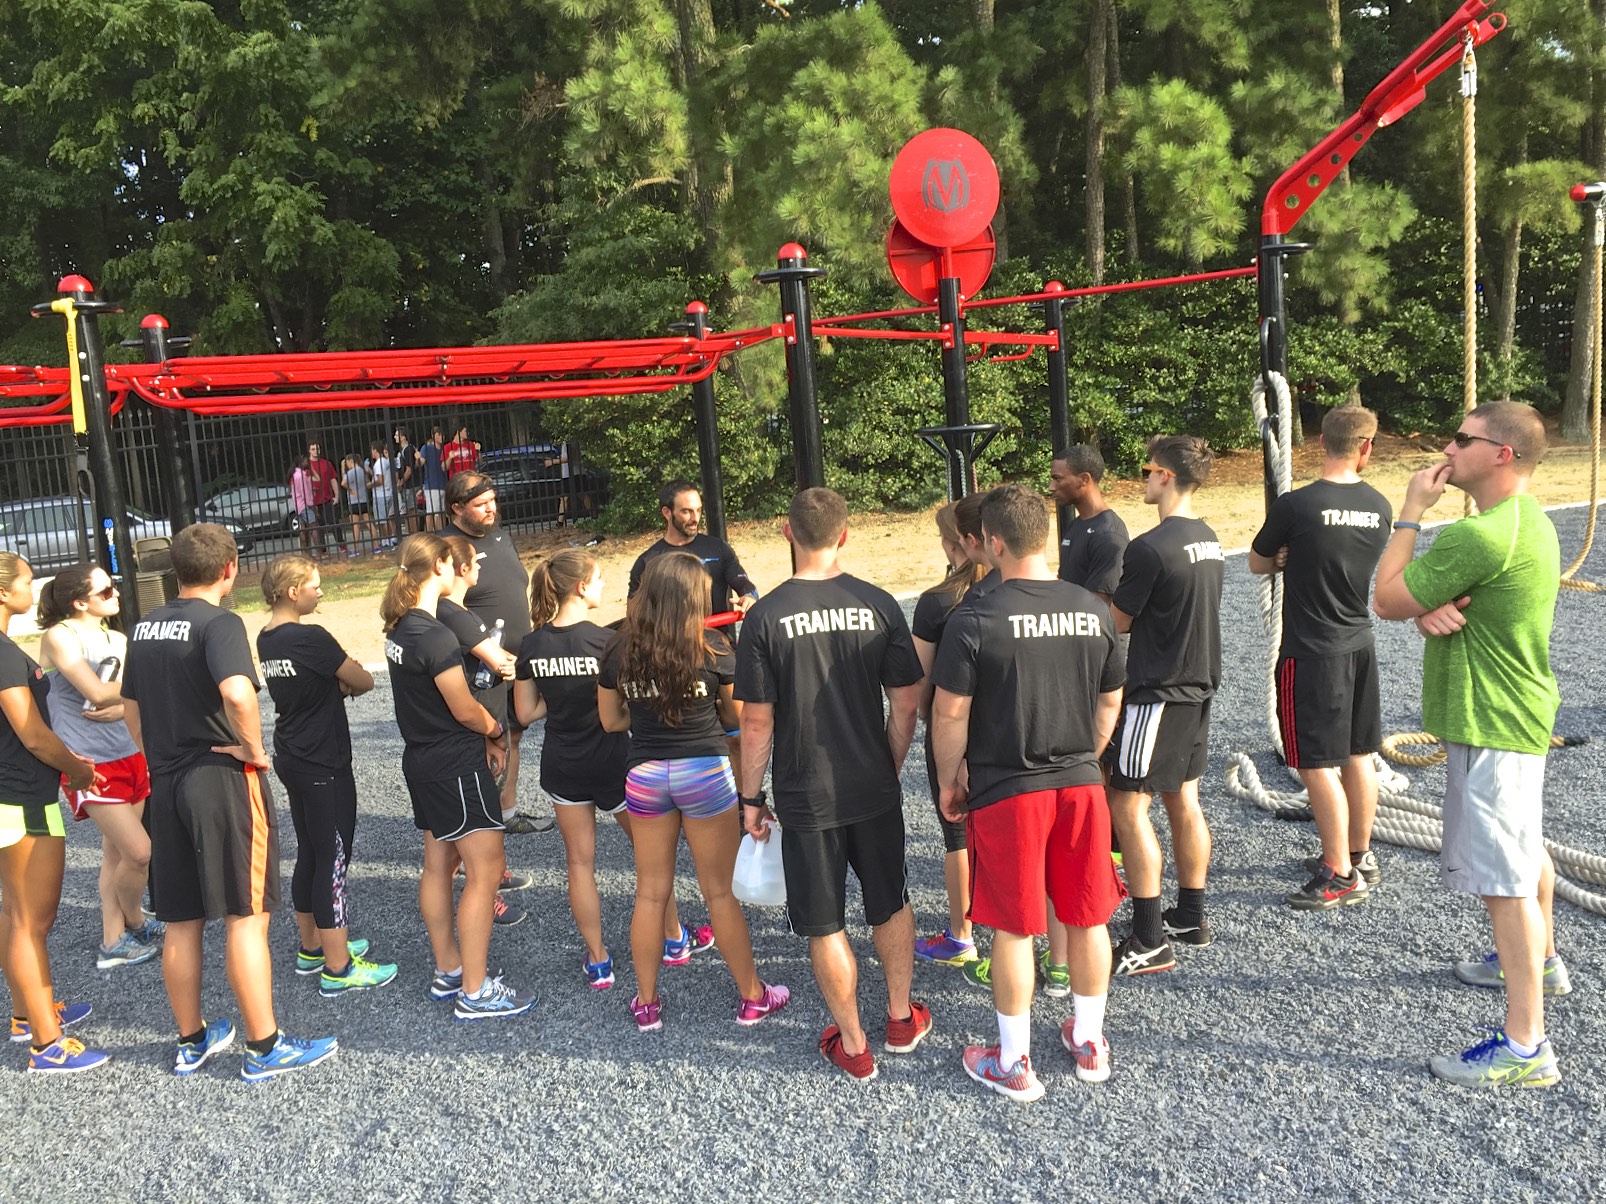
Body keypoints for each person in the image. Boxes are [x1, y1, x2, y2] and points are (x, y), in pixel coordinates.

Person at [1372, 401, 1567, 1089]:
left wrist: (1410, 511)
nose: (1447, 449)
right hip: (1517, 714)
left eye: (1463, 439)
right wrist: (1432, 608)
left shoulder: (1480, 537)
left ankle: (1525, 1046)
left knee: (1504, 882)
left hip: (1492, 722)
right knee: (1526, 849)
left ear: (1502, 455)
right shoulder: (1526, 519)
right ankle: (1540, 961)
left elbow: (1386, 598)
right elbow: (1425, 604)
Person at [122, 524, 338, 1080]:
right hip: (219, 777)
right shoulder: (220, 622)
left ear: (175, 570)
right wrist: (254, 748)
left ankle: (191, 1041)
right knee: (247, 914)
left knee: (181, 918)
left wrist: (158, 755)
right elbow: (238, 691)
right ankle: (264, 1047)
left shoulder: (143, 627)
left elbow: (131, 710)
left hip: (165, 781)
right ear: (230, 567)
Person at [931, 484, 1125, 1100]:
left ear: (991, 542)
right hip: (1079, 784)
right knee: (1089, 914)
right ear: (1044, 535)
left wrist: (948, 777)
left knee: (1014, 927)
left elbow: (951, 713)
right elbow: (1110, 698)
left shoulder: (974, 617)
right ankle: (1090, 1042)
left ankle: (1014, 1062)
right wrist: (1085, 758)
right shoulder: (1093, 609)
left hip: (1008, 788)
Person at [736, 488, 926, 1081]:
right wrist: (889, 763)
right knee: (889, 899)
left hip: (804, 792)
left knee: (824, 921)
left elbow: (756, 721)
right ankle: (900, 1018)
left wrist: (750, 798)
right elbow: (906, 704)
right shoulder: (878, 603)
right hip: (871, 784)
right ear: (845, 535)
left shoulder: (764, 616)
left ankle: (854, 1043)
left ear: (787, 532)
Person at [598, 553, 789, 1032]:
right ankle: (752, 996)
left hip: (643, 774)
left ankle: (645, 1004)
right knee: (719, 892)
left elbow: (611, 720)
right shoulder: (715, 648)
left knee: (650, 893)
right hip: (703, 772)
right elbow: (735, 718)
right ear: (691, 597)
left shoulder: (618, 649)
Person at [513, 548, 705, 989]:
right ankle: (675, 939)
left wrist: (557, 699)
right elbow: (622, 705)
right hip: (613, 759)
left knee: (579, 863)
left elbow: (524, 713)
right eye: (599, 580)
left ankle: (598, 960)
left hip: (563, 762)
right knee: (650, 859)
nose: (603, 587)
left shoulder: (532, 643)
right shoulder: (605, 642)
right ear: (581, 587)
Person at [382, 534, 535, 1021]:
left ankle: (450, 970)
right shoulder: (434, 635)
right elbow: (465, 708)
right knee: (485, 871)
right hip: (454, 763)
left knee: (438, 865)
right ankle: (474, 989)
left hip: (423, 760)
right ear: (442, 566)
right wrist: (495, 730)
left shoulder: (400, 627)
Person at [1249, 405, 1391, 909]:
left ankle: (1339, 872)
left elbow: (1257, 560)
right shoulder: (1380, 505)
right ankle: (1360, 854)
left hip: (1311, 651)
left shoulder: (1297, 505)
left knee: (1314, 764)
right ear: (1366, 447)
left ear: (1318, 444)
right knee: (1356, 755)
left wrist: (1284, 557)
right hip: (1358, 644)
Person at [1104, 436, 1224, 976]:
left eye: (1147, 469)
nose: (1143, 478)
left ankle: (1150, 937)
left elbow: (1120, 621)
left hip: (1157, 691)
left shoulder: (1149, 547)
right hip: (1198, 685)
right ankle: (1191, 916)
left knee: (1128, 807)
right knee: (1183, 799)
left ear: (1168, 477)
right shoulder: (1210, 538)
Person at [256, 554, 397, 997]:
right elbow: (363, 679)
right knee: (333, 858)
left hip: (292, 753)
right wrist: (341, 680)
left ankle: (313, 946)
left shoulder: (266, 637)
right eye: (315, 585)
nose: (321, 592)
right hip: (323, 759)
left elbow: (313, 685)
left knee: (312, 853)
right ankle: (339, 968)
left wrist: (334, 682)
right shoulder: (310, 636)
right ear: (293, 591)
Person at [0, 552, 107, 1073]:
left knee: (13, 913)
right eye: (25, 579)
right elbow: (33, 734)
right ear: (4, 593)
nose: (32, 586)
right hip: (21, 796)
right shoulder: (1, 652)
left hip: (13, 794)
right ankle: (46, 1041)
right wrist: (78, 769)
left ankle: (28, 1015)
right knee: (30, 921)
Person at [36, 565, 162, 970]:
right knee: (140, 852)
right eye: (107, 591)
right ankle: (128, 928)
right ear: (80, 602)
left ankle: (121, 934)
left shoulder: (118, 638)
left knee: (116, 856)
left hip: (128, 753)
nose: (117, 594)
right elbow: (93, 689)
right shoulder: (60, 636)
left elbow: (132, 698)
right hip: (89, 762)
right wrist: (129, 697)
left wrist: (126, 701)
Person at [442, 472, 551, 834]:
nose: (491, 509)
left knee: (512, 736)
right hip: (479, 668)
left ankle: (506, 814)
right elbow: (438, 606)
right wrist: (485, 651)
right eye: (480, 504)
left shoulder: (501, 536)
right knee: (479, 742)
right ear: (457, 508)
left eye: (492, 501)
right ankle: (477, 825)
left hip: (515, 663)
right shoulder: (445, 548)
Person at [439, 535, 535, 927]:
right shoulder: (454, 615)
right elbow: (499, 661)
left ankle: (490, 876)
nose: (482, 569)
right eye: (477, 565)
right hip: (478, 730)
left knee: (480, 818)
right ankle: (483, 892)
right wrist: (493, 733)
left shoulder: (459, 612)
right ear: (462, 570)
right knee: (476, 823)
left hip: (482, 727)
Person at [909, 504, 986, 968]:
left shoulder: (937, 601)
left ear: (952, 544)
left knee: (956, 835)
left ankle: (961, 933)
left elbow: (920, 683)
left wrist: (926, 719)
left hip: (951, 726)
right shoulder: (1010, 591)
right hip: (1006, 729)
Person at [627, 480, 758, 614]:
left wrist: (749, 596)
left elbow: (742, 582)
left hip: (718, 634)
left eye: (698, 510)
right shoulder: (647, 562)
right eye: (687, 511)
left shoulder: (718, 548)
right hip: (670, 635)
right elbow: (634, 615)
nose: (695, 518)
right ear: (667, 513)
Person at [1050, 443, 1129, 601]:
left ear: (1084, 479)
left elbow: (1099, 605)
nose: (1051, 487)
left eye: (1058, 479)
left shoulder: (1108, 535)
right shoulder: (1075, 525)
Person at [307, 440, 347, 557]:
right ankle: (322, 550)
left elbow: (333, 479)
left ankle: (342, 546)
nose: (316, 451)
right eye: (313, 449)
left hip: (327, 498)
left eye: (317, 449)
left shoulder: (326, 463)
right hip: (314, 501)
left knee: (334, 522)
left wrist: (337, 496)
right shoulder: (307, 466)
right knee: (318, 527)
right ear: (309, 450)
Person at [343, 452, 376, 556]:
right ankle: (376, 544)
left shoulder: (351, 472)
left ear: (350, 461)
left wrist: (350, 489)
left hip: (354, 501)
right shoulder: (362, 471)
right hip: (363, 499)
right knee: (369, 522)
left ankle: (356, 548)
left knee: (355, 525)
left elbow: (343, 483)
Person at [370, 440, 397, 549]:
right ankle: (388, 539)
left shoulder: (378, 464)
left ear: (375, 450)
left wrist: (370, 484)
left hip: (381, 494)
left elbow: (380, 480)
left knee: (382, 520)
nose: (371, 453)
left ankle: (387, 541)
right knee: (385, 519)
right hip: (388, 492)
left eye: (372, 450)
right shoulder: (386, 462)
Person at [394, 428, 421, 535]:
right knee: (407, 510)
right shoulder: (402, 450)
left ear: (403, 437)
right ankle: (411, 532)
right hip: (406, 485)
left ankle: (414, 533)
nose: (395, 437)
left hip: (410, 484)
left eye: (397, 435)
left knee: (411, 509)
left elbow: (409, 469)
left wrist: (401, 482)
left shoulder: (408, 449)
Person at [291, 454, 318, 558]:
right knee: (313, 526)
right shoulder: (301, 476)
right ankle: (318, 550)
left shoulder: (295, 475)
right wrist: (311, 504)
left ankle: (305, 553)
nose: (307, 463)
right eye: (305, 461)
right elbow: (305, 492)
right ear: (300, 463)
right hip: (304, 504)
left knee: (303, 529)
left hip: (298, 505)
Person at [421, 428, 448, 531]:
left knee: (441, 512)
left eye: (442, 435)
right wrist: (418, 459)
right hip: (432, 485)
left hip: (443, 484)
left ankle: (441, 533)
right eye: (438, 434)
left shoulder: (444, 449)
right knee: (432, 512)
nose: (441, 437)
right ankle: (429, 534)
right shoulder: (427, 448)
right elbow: (421, 462)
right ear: (433, 435)